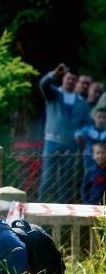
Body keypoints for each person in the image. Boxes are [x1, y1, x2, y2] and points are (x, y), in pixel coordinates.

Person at [38, 63, 90, 203]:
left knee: (65, 181)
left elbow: (86, 124)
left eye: (74, 79)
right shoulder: (53, 94)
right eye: (68, 78)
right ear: (63, 79)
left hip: (70, 145)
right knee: (48, 177)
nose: (71, 81)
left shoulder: (82, 103)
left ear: (76, 82)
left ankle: (62, 209)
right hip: (52, 142)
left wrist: (80, 133)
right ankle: (39, 205)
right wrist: (54, 74)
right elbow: (43, 84)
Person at [75, 107, 106, 175]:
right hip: (89, 161)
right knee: (88, 179)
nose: (101, 120)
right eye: (99, 117)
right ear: (94, 117)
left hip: (104, 162)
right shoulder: (88, 130)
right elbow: (78, 133)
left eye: (104, 117)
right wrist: (78, 136)